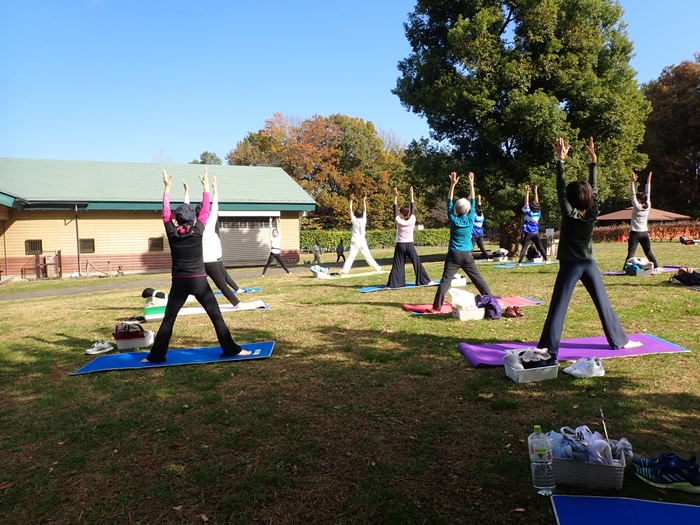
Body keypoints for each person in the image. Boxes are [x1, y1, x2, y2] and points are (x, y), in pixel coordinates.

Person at [535, 137, 642, 363]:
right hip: (588, 264)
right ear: (590, 199)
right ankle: (619, 340)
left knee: (558, 307)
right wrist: (593, 162)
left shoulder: (568, 213)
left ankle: (548, 348)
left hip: (570, 264)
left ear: (571, 200)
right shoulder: (592, 213)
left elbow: (560, 189)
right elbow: (592, 189)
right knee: (603, 302)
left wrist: (560, 161)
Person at [143, 168, 249, 364]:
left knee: (168, 320)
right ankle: (231, 350)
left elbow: (165, 214)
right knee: (216, 317)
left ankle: (156, 356)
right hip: (199, 282)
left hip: (179, 283)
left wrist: (167, 188)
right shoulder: (198, 230)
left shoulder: (172, 233)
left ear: (177, 220)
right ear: (193, 219)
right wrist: (206, 186)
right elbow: (206, 208)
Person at [432, 172, 493, 311]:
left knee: (445, 281)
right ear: (468, 210)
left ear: (455, 210)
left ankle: (437, 306)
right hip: (467, 254)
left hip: (453, 254)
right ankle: (490, 299)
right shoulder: (471, 217)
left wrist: (452, 185)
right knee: (477, 279)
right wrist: (471, 183)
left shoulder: (453, 219)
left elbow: (449, 202)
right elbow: (471, 201)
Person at [184, 178, 240, 309]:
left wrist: (186, 192)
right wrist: (213, 188)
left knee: (192, 283)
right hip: (210, 261)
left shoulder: (193, 224)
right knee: (221, 285)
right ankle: (237, 303)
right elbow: (214, 207)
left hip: (197, 261)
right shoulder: (208, 222)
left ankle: (187, 298)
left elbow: (186, 209)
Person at [386, 186, 432, 288]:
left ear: (402, 214)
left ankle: (395, 283)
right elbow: (413, 207)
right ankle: (424, 281)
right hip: (410, 245)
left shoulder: (398, 221)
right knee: (417, 263)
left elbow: (394, 209)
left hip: (401, 245)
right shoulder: (412, 220)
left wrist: (395, 196)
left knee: (398, 264)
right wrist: (411, 195)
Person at [624, 171, 659, 269]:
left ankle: (625, 269)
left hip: (635, 233)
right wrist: (648, 182)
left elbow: (632, 195)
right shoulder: (648, 205)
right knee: (648, 251)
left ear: (639, 200)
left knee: (631, 253)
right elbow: (648, 193)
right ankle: (656, 266)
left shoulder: (636, 206)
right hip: (644, 233)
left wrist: (632, 182)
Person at [340, 194, 382, 274]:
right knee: (368, 257)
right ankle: (378, 268)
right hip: (362, 241)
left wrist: (351, 200)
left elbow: (350, 209)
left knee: (350, 258)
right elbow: (365, 210)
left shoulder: (354, 220)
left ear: (355, 214)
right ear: (361, 214)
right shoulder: (363, 220)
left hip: (355, 241)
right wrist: (364, 201)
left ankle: (344, 271)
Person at [517, 184, 549, 265]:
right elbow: (536, 203)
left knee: (524, 248)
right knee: (540, 247)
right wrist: (535, 192)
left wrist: (527, 192)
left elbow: (526, 203)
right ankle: (546, 260)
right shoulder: (538, 213)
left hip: (528, 233)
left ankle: (519, 262)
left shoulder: (528, 213)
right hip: (536, 233)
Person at [472, 195, 489, 260]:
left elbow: (472, 209)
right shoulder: (482, 217)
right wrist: (479, 200)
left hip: (474, 233)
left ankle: (469, 259)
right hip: (480, 233)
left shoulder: (475, 217)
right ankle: (487, 258)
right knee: (482, 247)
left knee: (471, 247)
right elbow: (480, 207)